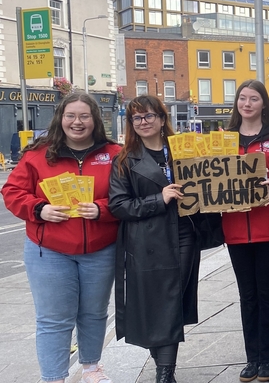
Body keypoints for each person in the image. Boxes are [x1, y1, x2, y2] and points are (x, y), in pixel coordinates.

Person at [2, 93, 120, 383]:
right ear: (60, 119)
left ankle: (92, 367)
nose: (77, 122)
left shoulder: (116, 154)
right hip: (49, 250)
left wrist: (102, 209)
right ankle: (54, 377)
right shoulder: (37, 154)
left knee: (94, 312)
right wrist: (39, 209)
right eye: (71, 116)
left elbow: (127, 198)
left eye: (84, 116)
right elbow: (12, 192)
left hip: (100, 248)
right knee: (54, 318)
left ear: (95, 120)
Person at [108, 95, 201, 383]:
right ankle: (163, 363)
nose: (143, 122)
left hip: (184, 234)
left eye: (149, 116)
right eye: (136, 118)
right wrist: (157, 199)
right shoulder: (124, 160)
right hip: (147, 241)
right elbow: (119, 205)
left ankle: (165, 373)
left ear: (162, 119)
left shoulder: (184, 151)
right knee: (152, 305)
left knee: (171, 300)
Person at [225, 80, 269, 382]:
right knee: (247, 294)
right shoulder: (223, 140)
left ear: (264, 104)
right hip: (235, 228)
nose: (247, 103)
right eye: (243, 98)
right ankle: (252, 356)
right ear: (237, 103)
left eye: (254, 98)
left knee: (266, 293)